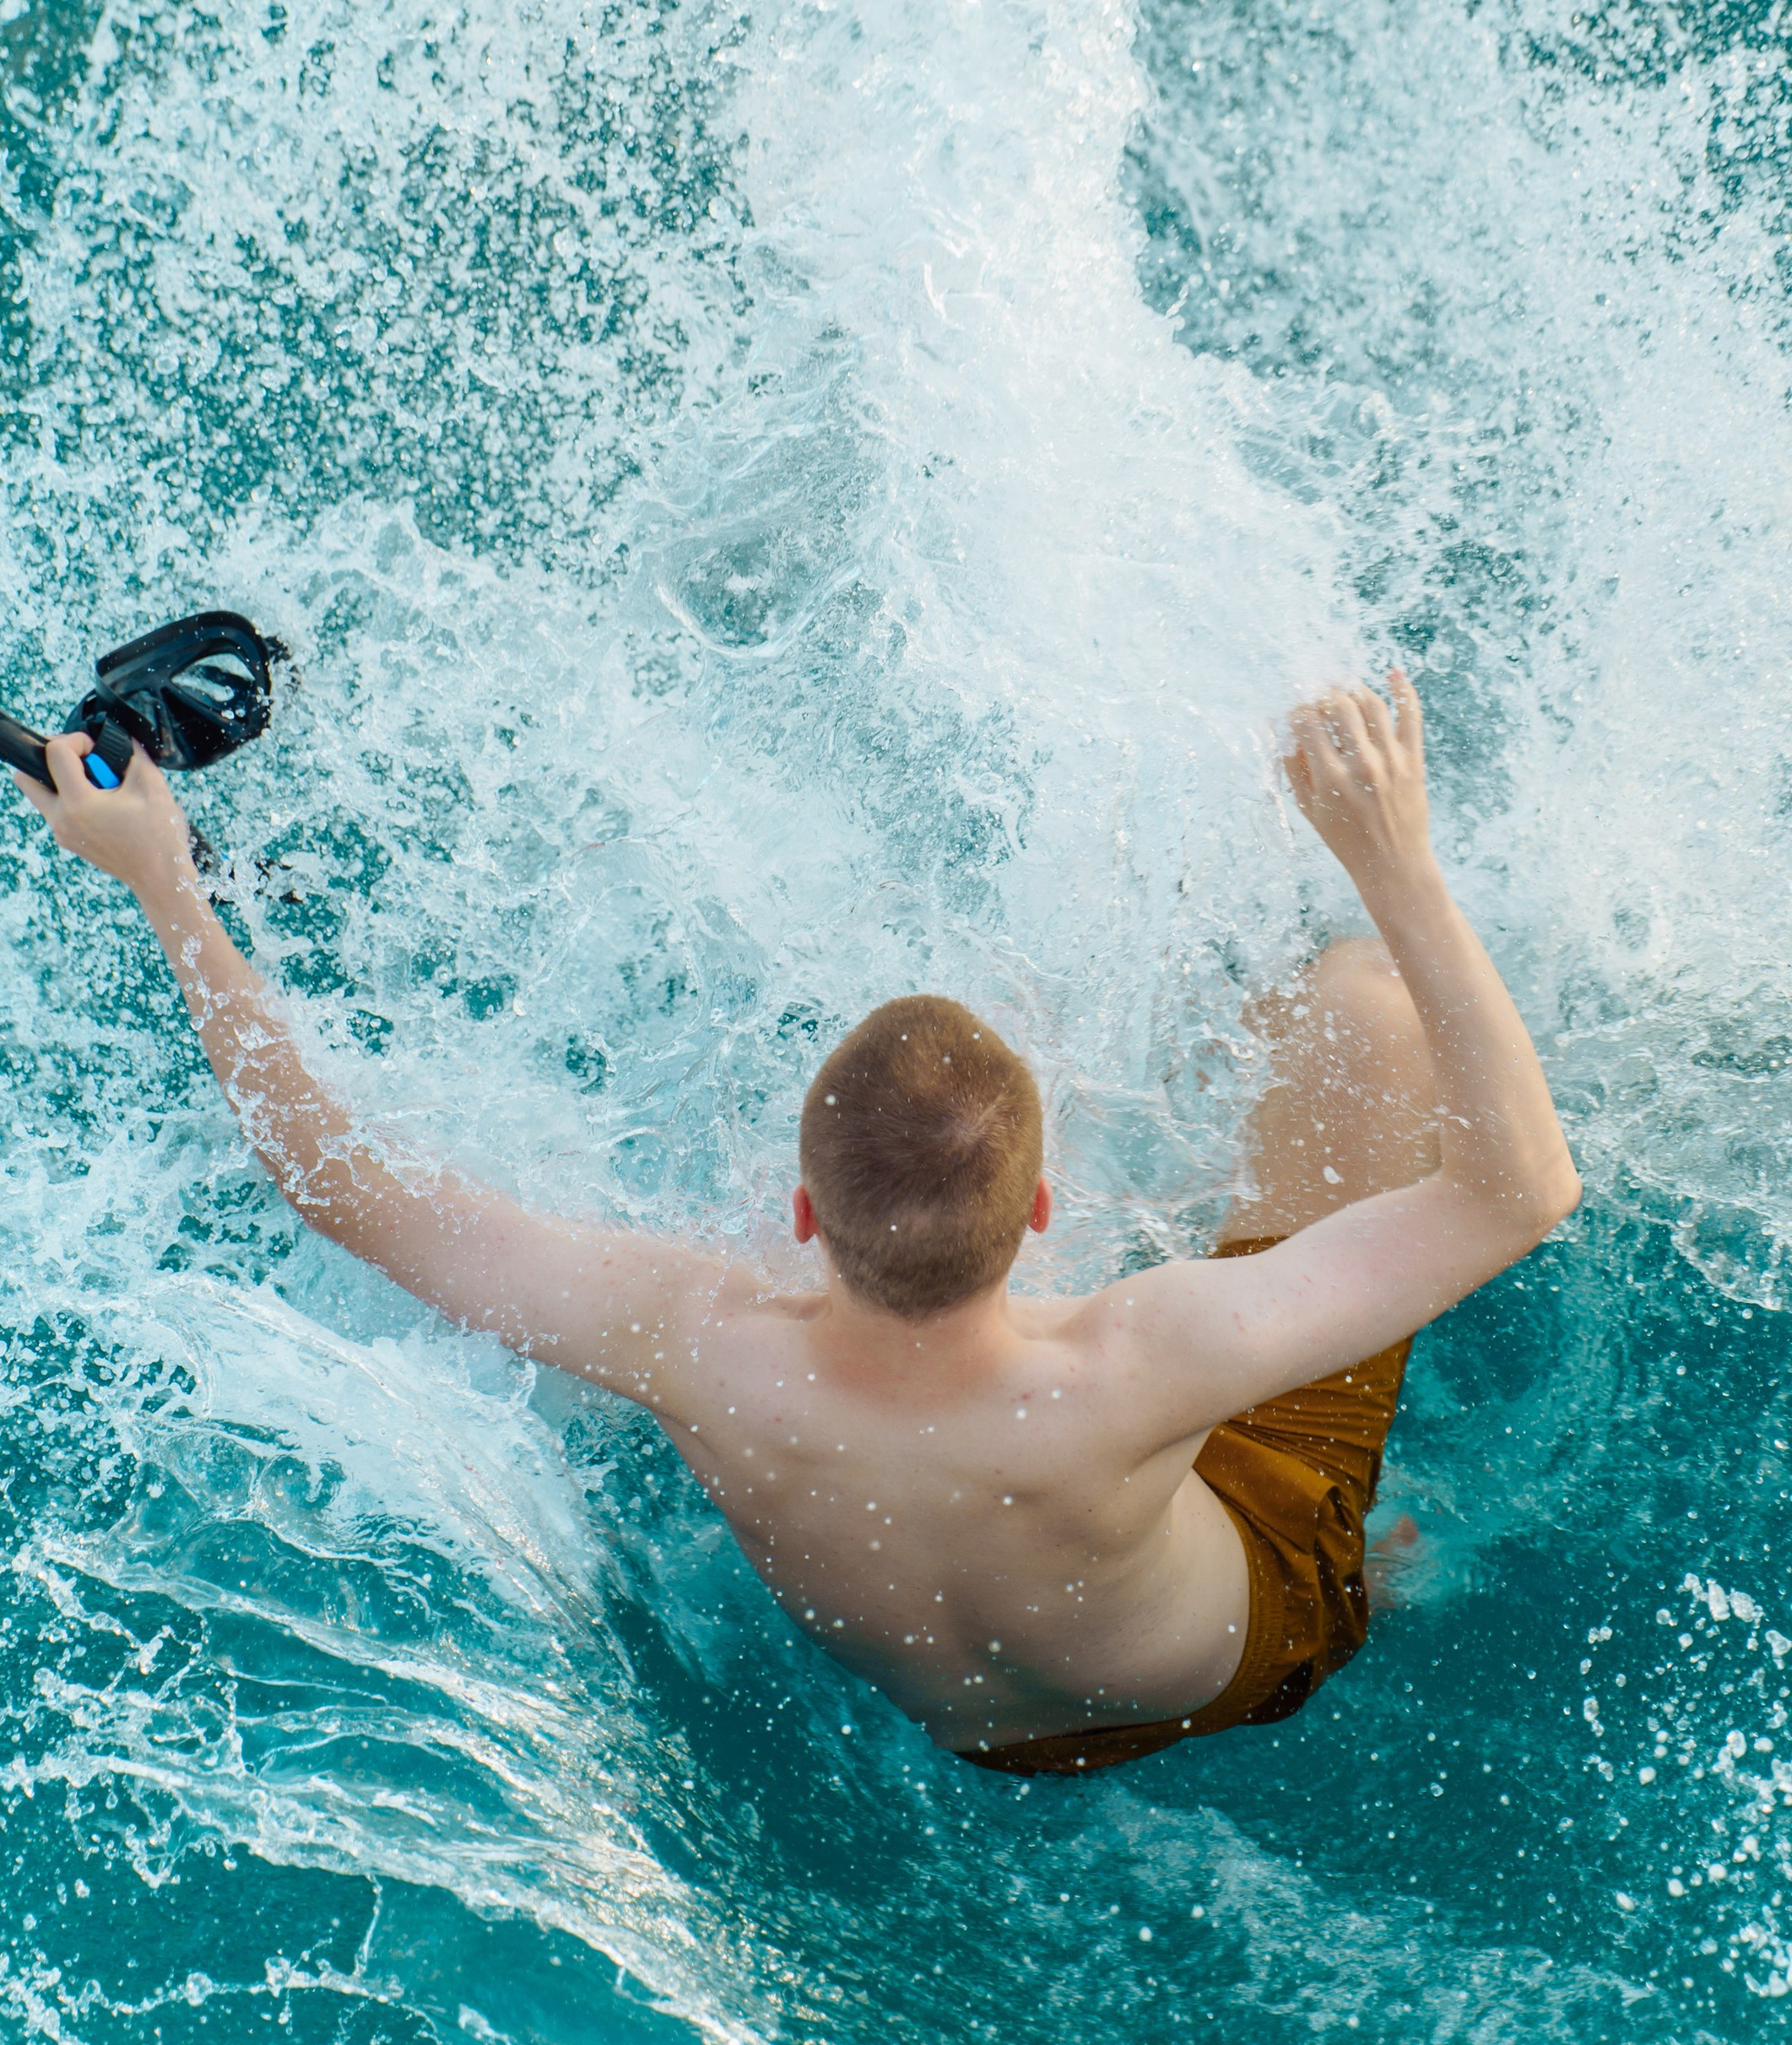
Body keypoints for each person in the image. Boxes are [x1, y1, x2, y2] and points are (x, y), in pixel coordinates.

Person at [14, 671, 1578, 1774]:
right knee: (1358, 1004)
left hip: (977, 1741)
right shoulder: (1143, 1356)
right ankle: (1372, 1577)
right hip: (1254, 1661)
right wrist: (1393, 864)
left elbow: (335, 1182)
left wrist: (164, 883)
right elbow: (1520, 1190)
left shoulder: (702, 1350)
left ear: (804, 1212)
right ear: (1040, 1213)